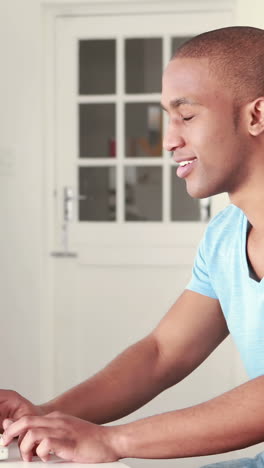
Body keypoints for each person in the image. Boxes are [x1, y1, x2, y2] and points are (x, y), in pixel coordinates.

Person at [2, 25, 264, 468]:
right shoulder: (225, 236)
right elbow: (162, 353)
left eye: (187, 115)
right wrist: (43, 417)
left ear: (256, 116)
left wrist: (115, 441)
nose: (168, 140)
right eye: (167, 116)